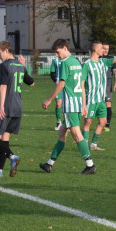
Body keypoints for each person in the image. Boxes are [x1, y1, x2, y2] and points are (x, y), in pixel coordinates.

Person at [41, 39, 96, 175]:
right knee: (62, 134)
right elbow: (82, 85)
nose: (57, 56)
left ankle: (90, 165)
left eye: (58, 52)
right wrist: (84, 105)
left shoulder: (64, 63)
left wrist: (49, 99)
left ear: (65, 48)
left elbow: (61, 83)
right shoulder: (76, 62)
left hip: (70, 105)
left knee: (77, 135)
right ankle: (49, 164)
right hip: (77, 103)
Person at [0, 41, 35, 177]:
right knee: (5, 139)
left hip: (7, 105)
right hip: (18, 107)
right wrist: (24, 67)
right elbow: (32, 83)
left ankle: (12, 156)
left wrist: (1, 106)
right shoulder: (20, 66)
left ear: (6, 51)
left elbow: (3, 87)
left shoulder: (4, 66)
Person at [82, 41, 109, 151]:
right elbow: (81, 82)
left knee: (103, 122)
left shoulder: (103, 63)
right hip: (91, 99)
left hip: (101, 100)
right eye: (101, 48)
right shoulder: (87, 64)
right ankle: (83, 145)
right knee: (87, 122)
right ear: (95, 49)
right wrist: (83, 103)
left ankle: (93, 144)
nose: (104, 50)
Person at [48, 53, 64, 130]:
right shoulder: (55, 60)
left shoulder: (69, 59)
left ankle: (68, 123)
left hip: (67, 85)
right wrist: (55, 81)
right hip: (58, 85)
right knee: (58, 103)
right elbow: (52, 73)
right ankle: (58, 122)